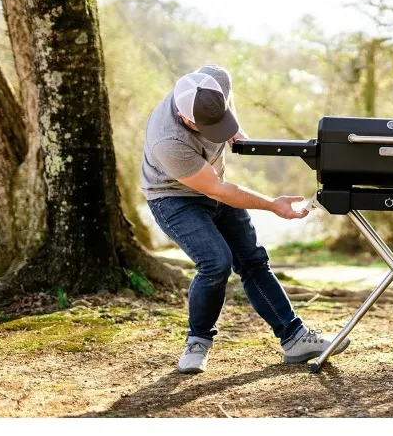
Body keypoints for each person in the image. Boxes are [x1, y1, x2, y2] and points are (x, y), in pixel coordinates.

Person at [140, 64, 349, 374]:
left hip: (215, 187)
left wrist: (233, 129)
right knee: (215, 262)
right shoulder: (167, 140)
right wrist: (273, 204)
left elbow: (226, 85)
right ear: (186, 119)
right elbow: (218, 189)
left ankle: (294, 339)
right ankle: (197, 342)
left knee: (252, 259)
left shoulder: (215, 80)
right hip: (174, 197)